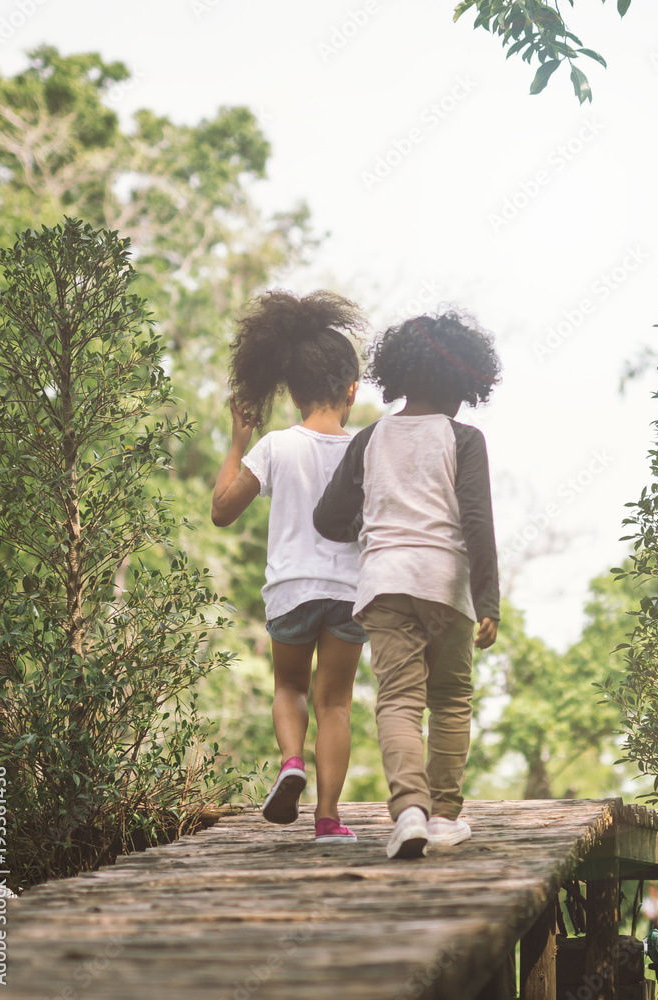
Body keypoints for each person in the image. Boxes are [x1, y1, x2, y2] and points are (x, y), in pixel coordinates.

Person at [314, 310, 502, 860]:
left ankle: (410, 813)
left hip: (385, 585)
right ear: (463, 385)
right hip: (447, 586)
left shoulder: (370, 438)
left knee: (398, 700)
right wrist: (488, 598)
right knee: (449, 700)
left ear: (401, 376)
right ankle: (444, 816)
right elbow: (477, 523)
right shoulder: (463, 439)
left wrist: (371, 527)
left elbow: (328, 519)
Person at [211, 289, 368, 843]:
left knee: (289, 689)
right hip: (352, 592)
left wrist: (238, 442)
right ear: (352, 389)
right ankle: (328, 820)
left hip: (291, 589)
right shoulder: (365, 451)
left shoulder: (276, 445)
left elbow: (222, 511)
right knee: (337, 704)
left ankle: (291, 763)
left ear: (293, 390)